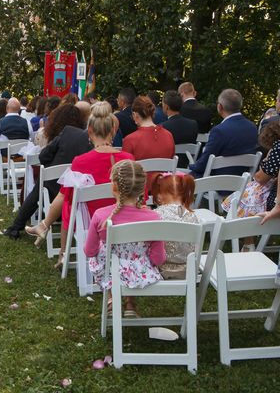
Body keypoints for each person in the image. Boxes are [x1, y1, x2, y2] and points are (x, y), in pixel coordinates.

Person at [25, 102, 134, 269]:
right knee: (68, 199)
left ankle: (61, 251)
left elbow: (64, 194)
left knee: (68, 201)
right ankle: (46, 230)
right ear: (113, 130)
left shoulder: (81, 161)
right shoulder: (128, 158)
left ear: (89, 131)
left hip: (91, 220)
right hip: (123, 217)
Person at [86, 160, 165, 317]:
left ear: (114, 186)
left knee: (102, 254)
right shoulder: (154, 217)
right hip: (139, 271)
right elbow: (158, 258)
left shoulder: (101, 215)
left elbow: (89, 251)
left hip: (109, 270)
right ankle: (130, 303)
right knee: (134, 257)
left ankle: (111, 299)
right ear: (143, 188)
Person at [3, 103, 89, 239]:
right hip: (80, 189)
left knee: (39, 187)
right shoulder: (88, 138)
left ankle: (17, 225)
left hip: (55, 187)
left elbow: (43, 157)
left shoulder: (66, 132)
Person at [189, 89, 258, 177]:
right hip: (243, 181)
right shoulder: (252, 127)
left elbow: (203, 164)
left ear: (220, 107)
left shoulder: (219, 131)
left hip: (218, 182)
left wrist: (191, 166)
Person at [152, 172, 199, 279]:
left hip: (159, 269)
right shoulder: (193, 217)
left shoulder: (155, 215)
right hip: (188, 269)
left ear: (160, 194)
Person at [121, 95, 175, 190]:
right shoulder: (169, 135)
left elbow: (126, 173)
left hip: (139, 194)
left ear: (135, 115)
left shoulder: (130, 140)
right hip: (164, 191)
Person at [0, 98, 32, 186]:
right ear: (19, 109)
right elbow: (31, 140)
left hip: (4, 158)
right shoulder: (27, 123)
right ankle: (22, 179)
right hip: (22, 158)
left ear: (7, 108)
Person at [160, 90, 199, 168]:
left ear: (166, 107)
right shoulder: (193, 124)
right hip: (187, 165)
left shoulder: (163, 127)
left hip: (168, 167)